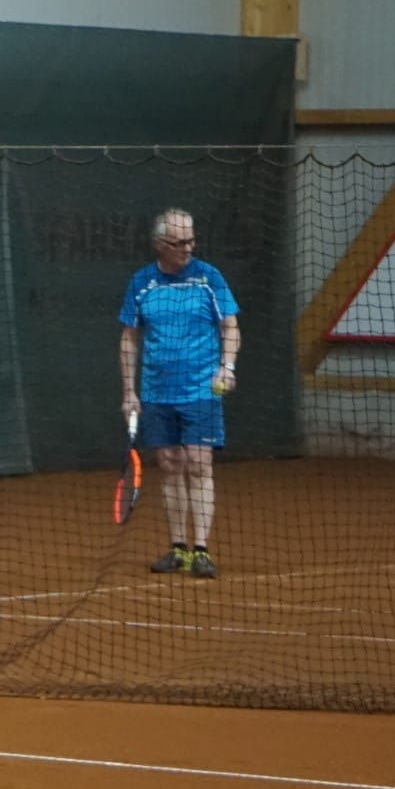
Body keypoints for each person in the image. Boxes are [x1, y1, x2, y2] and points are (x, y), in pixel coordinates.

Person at [119, 207, 241, 579]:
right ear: (160, 244)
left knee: (199, 465)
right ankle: (177, 547)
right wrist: (129, 391)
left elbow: (230, 326)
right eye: (178, 242)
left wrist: (227, 366)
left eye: (191, 240)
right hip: (157, 392)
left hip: (201, 389)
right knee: (170, 465)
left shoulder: (209, 278)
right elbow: (129, 338)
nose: (187, 248)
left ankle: (201, 550)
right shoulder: (142, 282)